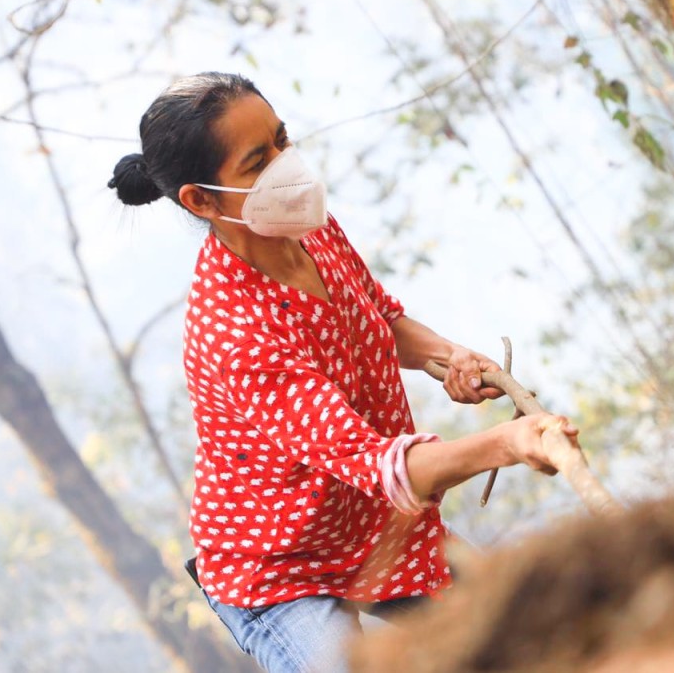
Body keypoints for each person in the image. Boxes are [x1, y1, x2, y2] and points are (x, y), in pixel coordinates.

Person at [107, 72, 575, 673]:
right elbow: (383, 465)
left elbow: (376, 317)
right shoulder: (234, 329)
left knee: (528, 639)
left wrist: (448, 359)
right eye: (257, 162)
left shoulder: (306, 225)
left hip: (372, 524)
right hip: (277, 569)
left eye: (282, 140)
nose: (287, 167)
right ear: (201, 199)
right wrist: (507, 444)